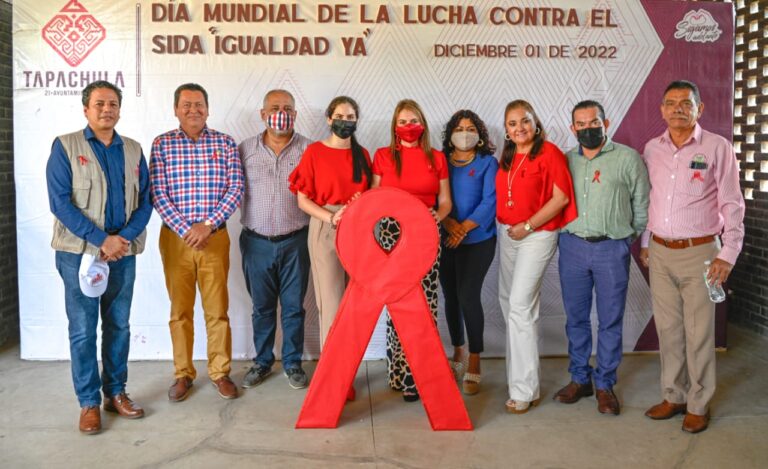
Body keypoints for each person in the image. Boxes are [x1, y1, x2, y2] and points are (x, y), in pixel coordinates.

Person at [46, 80, 152, 434]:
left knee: (119, 325)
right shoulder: (65, 146)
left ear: (120, 109)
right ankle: (89, 402)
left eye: (113, 104)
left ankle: (116, 393)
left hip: (122, 253)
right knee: (82, 330)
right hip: (79, 254)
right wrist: (100, 240)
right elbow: (60, 203)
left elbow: (146, 201)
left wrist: (120, 240)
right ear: (86, 109)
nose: (107, 109)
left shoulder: (134, 150)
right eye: (100, 104)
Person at [640, 80, 745, 433]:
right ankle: (674, 395)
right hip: (660, 251)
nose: (677, 108)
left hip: (701, 253)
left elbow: (732, 203)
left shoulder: (717, 147)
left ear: (699, 109)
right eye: (670, 103)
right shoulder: (652, 149)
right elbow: (651, 200)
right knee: (668, 331)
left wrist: (728, 253)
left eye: (686, 103)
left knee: (698, 332)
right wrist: (645, 241)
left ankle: (699, 403)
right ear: (662, 110)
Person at [554, 100, 650, 415]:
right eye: (580, 124)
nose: (587, 128)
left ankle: (605, 383)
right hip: (572, 247)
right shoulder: (566, 160)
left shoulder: (627, 158)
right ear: (573, 129)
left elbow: (641, 204)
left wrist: (626, 238)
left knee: (610, 320)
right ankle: (580, 378)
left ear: (605, 124)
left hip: (612, 248)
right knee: (576, 319)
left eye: (593, 122)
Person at [150, 83, 244, 402]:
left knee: (217, 310)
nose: (193, 110)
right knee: (180, 311)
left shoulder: (225, 143)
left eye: (199, 104)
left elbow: (236, 189)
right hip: (175, 240)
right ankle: (183, 374)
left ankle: (220, 372)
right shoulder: (162, 144)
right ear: (175, 109)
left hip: (214, 239)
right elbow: (157, 193)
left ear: (208, 108)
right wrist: (185, 229)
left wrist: (208, 225)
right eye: (186, 105)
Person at [496, 99, 576, 414]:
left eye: (525, 121)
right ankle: (519, 379)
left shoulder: (550, 153)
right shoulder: (507, 156)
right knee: (511, 307)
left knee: (519, 306)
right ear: (506, 129)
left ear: (536, 122)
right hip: (509, 235)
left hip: (537, 235)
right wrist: (515, 228)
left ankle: (525, 390)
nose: (520, 128)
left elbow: (561, 198)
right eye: (513, 124)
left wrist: (528, 225)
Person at [371, 99, 452, 402]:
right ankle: (399, 372)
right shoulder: (382, 156)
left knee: (426, 305)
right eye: (403, 122)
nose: (409, 127)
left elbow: (445, 203)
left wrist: (434, 218)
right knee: (398, 305)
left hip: (427, 233)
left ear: (423, 123)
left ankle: (420, 375)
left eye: (414, 120)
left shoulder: (438, 158)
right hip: (392, 235)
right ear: (395, 126)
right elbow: (374, 200)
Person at [238, 89, 312, 390]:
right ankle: (263, 361)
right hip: (256, 241)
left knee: (294, 306)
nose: (280, 112)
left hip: (296, 240)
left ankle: (293, 363)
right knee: (262, 307)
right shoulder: (245, 150)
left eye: (287, 108)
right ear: (263, 113)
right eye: (274, 107)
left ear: (294, 114)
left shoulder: (309, 150)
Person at [438, 110, 497, 395]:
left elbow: (490, 201)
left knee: (467, 295)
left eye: (470, 127)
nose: (464, 132)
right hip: (444, 238)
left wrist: (463, 228)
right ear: (450, 133)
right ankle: (458, 353)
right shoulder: (440, 162)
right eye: (459, 127)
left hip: (479, 239)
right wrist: (449, 225)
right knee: (450, 296)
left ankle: (475, 357)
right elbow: (433, 195)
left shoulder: (487, 163)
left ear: (480, 134)